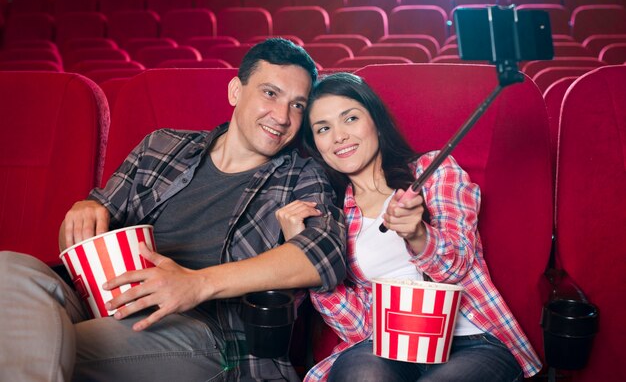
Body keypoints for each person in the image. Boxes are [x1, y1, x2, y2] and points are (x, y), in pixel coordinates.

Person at [0, 38, 346, 382]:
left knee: (50, 344)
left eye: (298, 105)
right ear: (235, 92)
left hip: (203, 331)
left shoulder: (301, 175)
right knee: (10, 268)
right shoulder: (162, 146)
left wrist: (197, 284)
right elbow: (80, 240)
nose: (283, 117)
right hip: (106, 299)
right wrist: (84, 211)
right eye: (270, 94)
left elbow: (324, 255)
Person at [282, 72, 542, 381]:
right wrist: (307, 262)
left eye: (350, 118)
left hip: (472, 341)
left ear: (376, 121)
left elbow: (456, 265)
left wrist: (419, 235)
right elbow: (357, 328)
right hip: (384, 347)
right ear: (317, 145)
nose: (339, 136)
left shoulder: (434, 172)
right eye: (323, 128)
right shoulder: (334, 215)